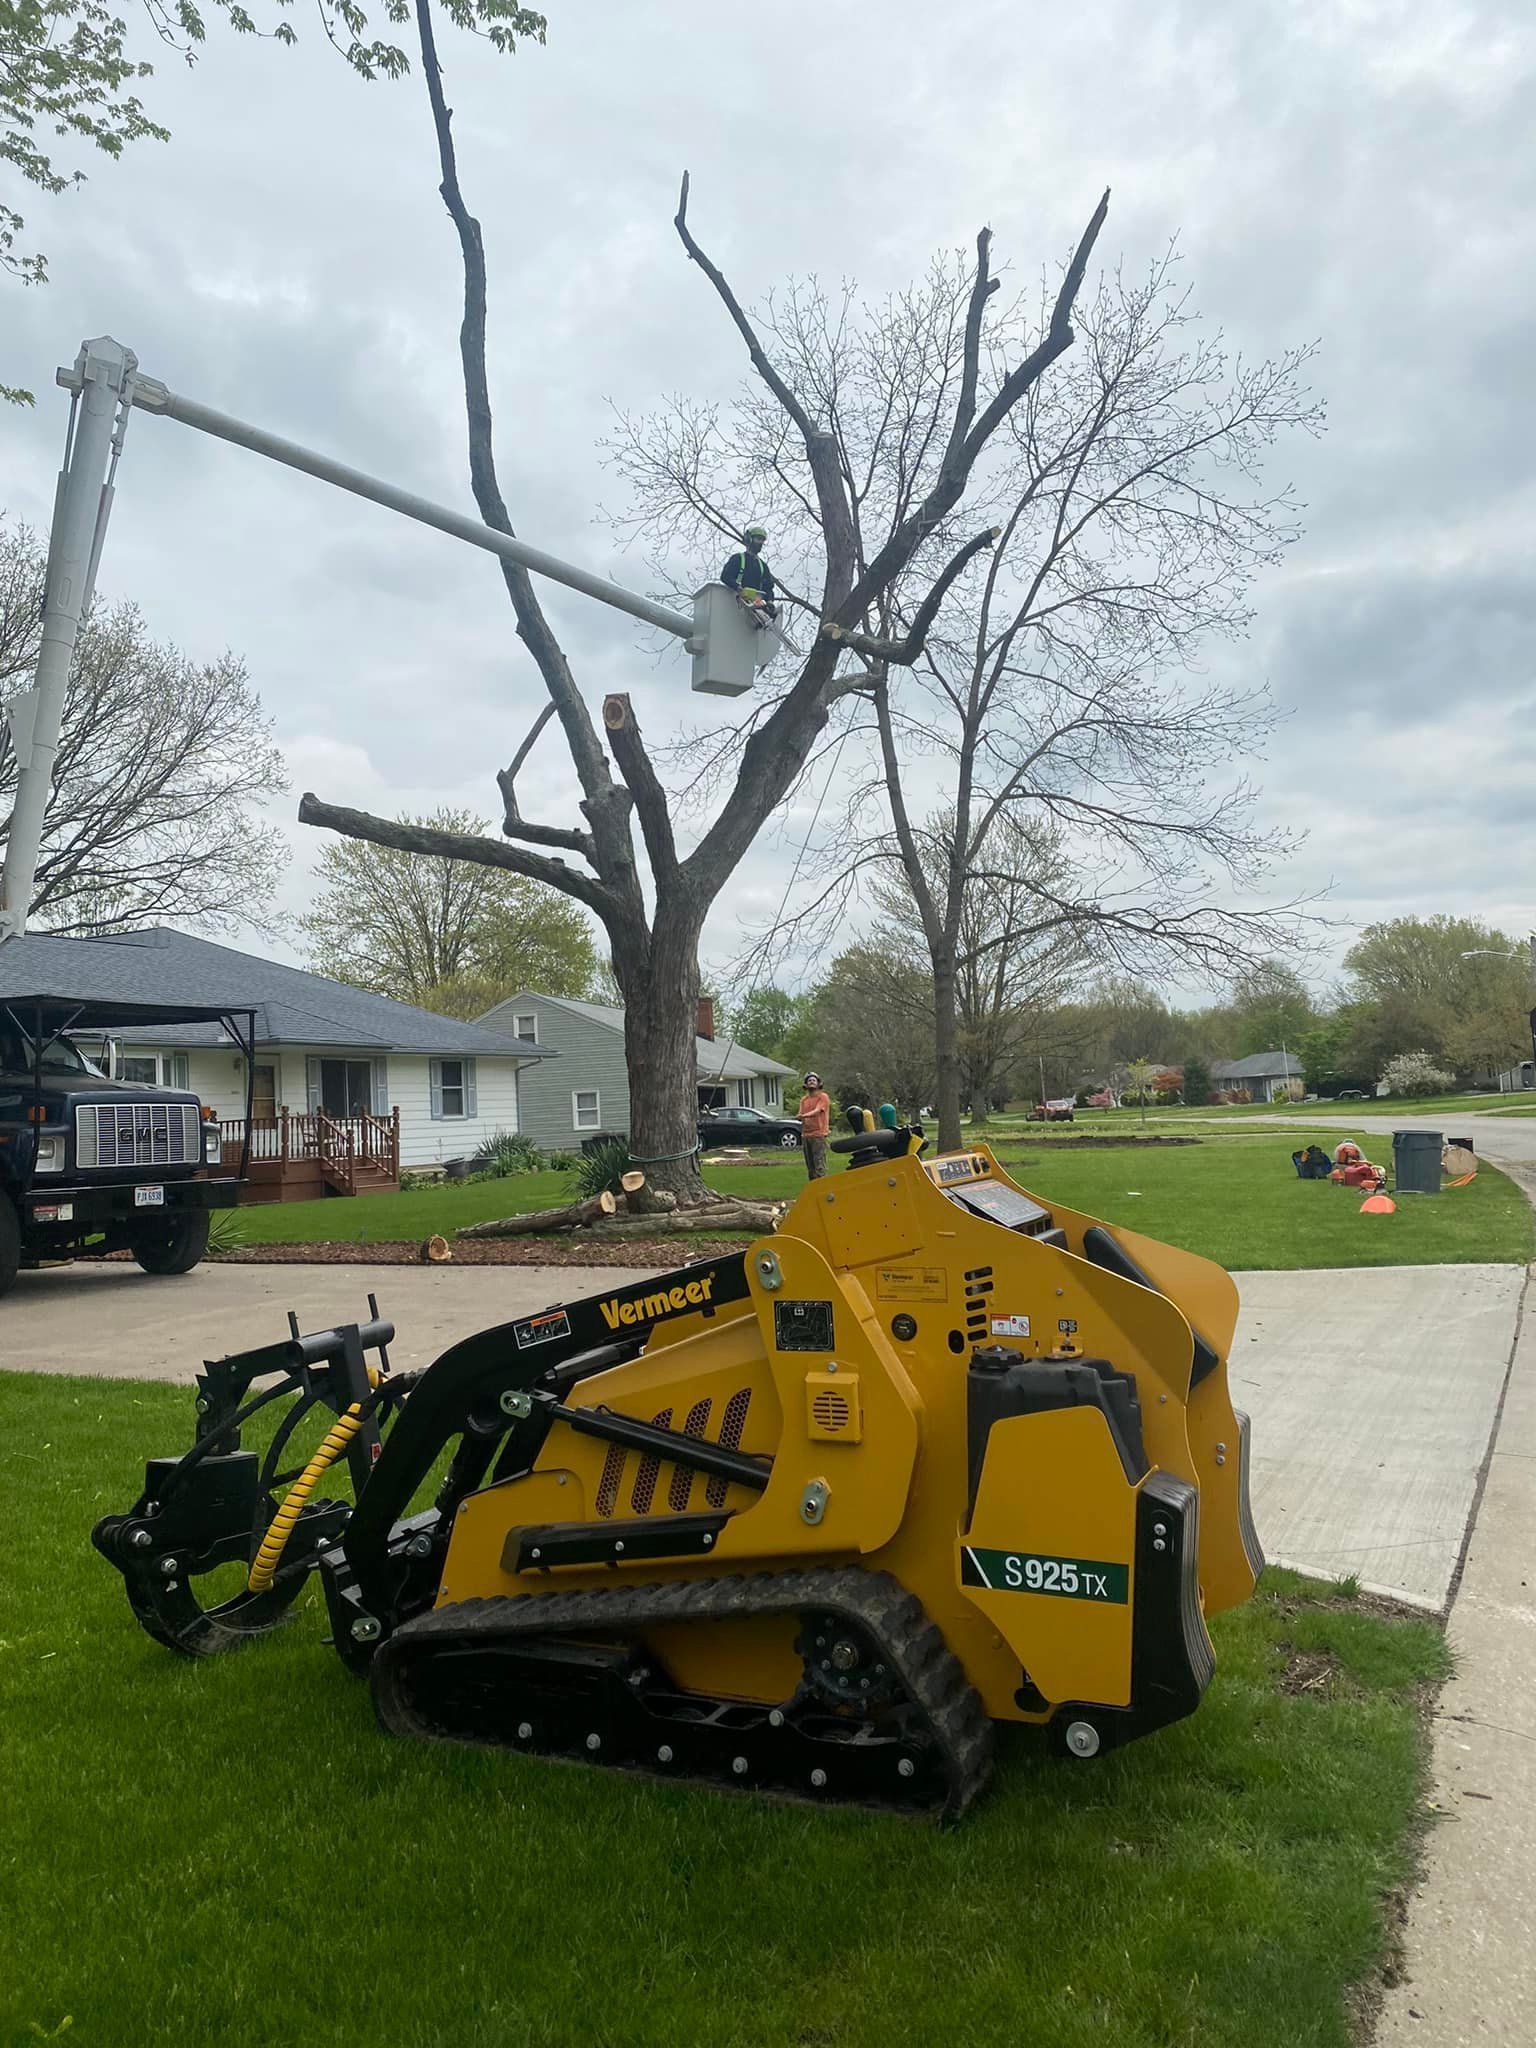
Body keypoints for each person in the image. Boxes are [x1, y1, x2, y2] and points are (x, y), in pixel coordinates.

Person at [721, 525, 778, 620]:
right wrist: (739, 588)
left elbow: (768, 588)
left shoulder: (762, 566)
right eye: (758, 539)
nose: (760, 543)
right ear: (749, 540)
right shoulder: (738, 559)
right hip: (735, 605)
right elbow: (725, 577)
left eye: (762, 541)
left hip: (755, 607)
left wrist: (770, 602)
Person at [797, 1070, 831, 1180]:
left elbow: (818, 1110)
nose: (811, 1082)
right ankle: (813, 1192)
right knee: (810, 1167)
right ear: (806, 1084)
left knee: (819, 1165)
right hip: (806, 1135)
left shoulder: (823, 1097)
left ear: (818, 1083)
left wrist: (804, 1115)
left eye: (814, 1080)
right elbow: (800, 1113)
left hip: (819, 1135)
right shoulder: (804, 1100)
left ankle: (823, 1189)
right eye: (809, 1080)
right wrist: (799, 1116)